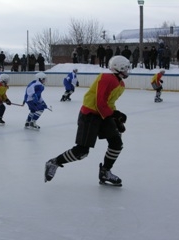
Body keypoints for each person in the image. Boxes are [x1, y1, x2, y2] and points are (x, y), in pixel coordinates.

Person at [44, 56, 131, 185]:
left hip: (103, 115)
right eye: (126, 68)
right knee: (82, 151)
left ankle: (105, 172)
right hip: (90, 115)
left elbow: (109, 103)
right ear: (119, 68)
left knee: (116, 143)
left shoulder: (120, 84)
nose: (128, 70)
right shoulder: (107, 78)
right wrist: (115, 115)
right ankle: (54, 162)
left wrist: (115, 118)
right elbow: (99, 102)